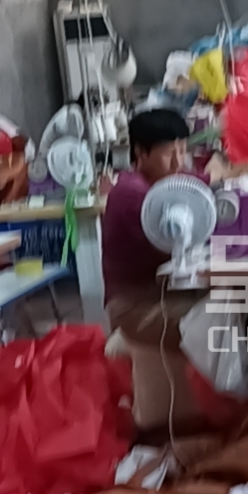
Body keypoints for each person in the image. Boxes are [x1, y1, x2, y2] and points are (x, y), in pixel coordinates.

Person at [102, 107, 194, 343]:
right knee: (231, 315)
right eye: (169, 153)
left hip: (160, 293)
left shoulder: (157, 184)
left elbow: (193, 181)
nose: (178, 162)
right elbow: (175, 249)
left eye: (182, 150)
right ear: (140, 153)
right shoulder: (133, 194)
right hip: (134, 307)